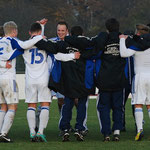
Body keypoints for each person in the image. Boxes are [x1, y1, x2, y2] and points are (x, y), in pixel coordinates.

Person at [0, 21, 43, 142]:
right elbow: (23, 46)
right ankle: (3, 134)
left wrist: (2, 63)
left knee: (3, 107)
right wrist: (39, 37)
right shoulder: (11, 41)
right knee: (12, 106)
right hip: (8, 78)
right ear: (14, 31)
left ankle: (0, 132)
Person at [119, 24, 150, 141]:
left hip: (140, 77)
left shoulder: (137, 45)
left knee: (138, 104)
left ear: (138, 33)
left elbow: (123, 53)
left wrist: (122, 40)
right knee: (149, 105)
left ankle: (139, 129)